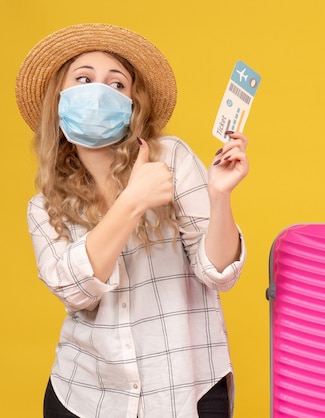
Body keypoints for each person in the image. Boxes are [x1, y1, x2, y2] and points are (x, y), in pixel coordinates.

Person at [15, 23, 249, 418]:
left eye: (117, 84)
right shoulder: (43, 206)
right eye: (84, 79)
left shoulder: (170, 158)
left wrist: (220, 195)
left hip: (186, 390)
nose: (100, 92)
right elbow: (75, 291)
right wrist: (133, 201)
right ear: (59, 100)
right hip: (86, 395)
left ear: (132, 105)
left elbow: (218, 273)